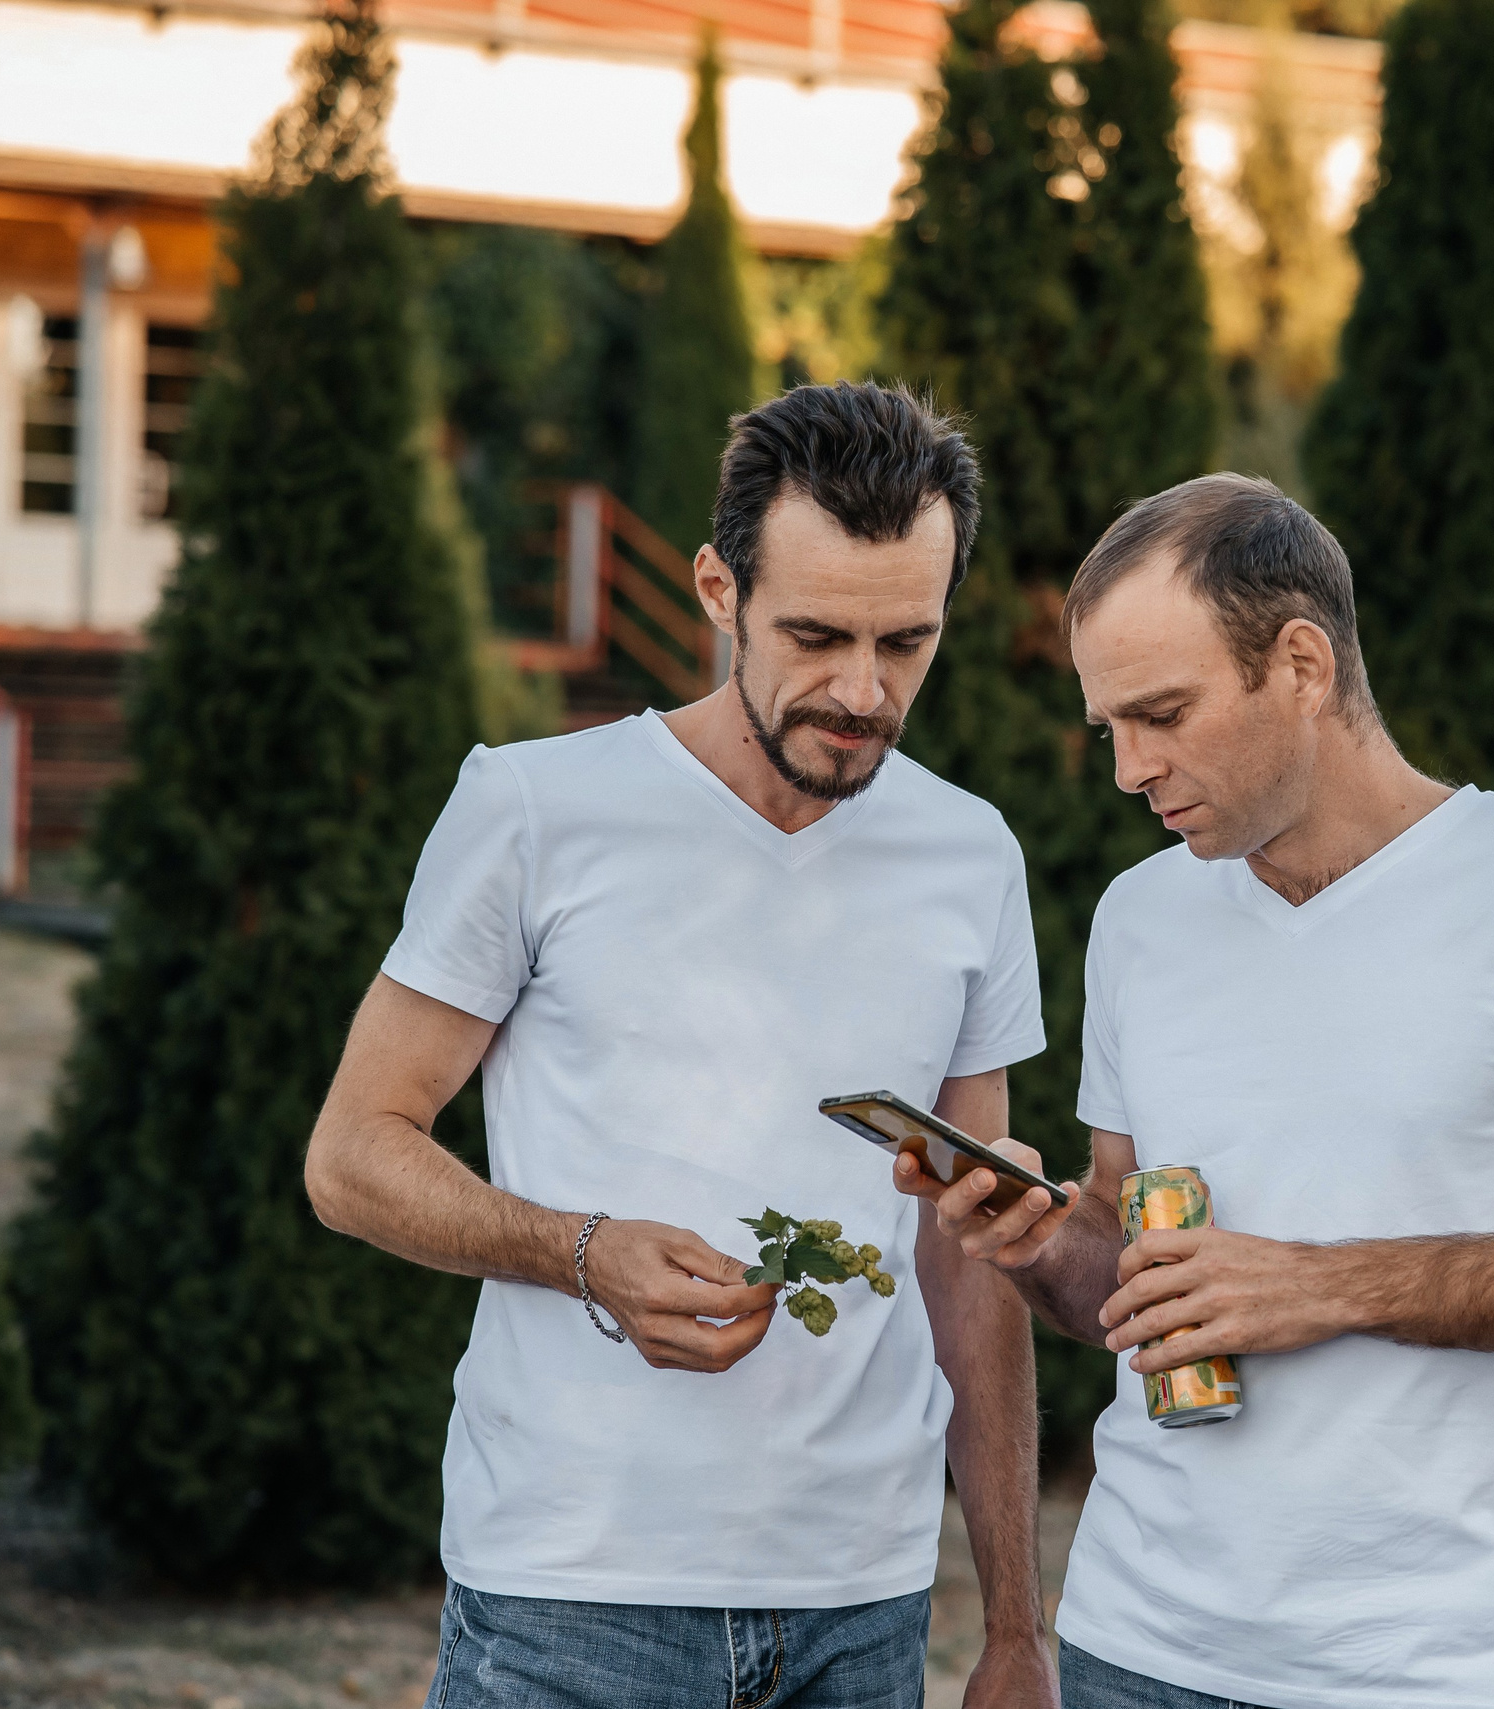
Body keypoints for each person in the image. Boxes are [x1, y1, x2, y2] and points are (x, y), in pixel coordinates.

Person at [899, 473, 1494, 1708]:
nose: (1128, 769)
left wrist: (1326, 1283)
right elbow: (1128, 1268)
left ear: (1301, 663)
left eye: (1161, 713)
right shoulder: (1139, 915)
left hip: (1413, 1669)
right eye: (1110, 728)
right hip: (1130, 1643)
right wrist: (1043, 1242)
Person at [306, 383, 1057, 1709]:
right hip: (570, 1597)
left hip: (862, 1608)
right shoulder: (537, 809)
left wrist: (1015, 1624)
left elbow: (964, 1242)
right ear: (719, 591)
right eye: (816, 635)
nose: (864, 691)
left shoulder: (971, 855)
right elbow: (354, 1155)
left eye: (907, 642)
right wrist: (581, 1251)